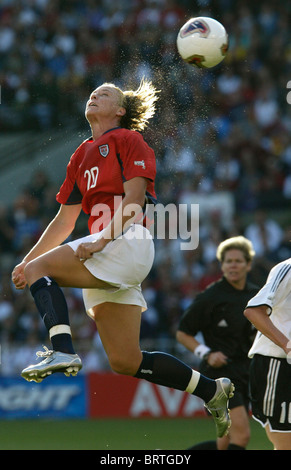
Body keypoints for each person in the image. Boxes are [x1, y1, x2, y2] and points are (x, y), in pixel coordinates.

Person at [11, 78, 234, 438]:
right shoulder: (80, 155)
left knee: (42, 269)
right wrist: (26, 261)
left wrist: (99, 243)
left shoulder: (129, 140)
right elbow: (65, 220)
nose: (94, 95)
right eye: (92, 93)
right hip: (108, 246)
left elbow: (135, 201)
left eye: (105, 94)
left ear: (121, 111)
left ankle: (63, 350)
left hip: (124, 239)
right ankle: (212, 390)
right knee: (125, 361)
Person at [177, 236, 259, 450]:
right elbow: (183, 333)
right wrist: (206, 353)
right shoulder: (210, 297)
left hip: (244, 372)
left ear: (248, 264)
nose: (233, 265)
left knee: (224, 443)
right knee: (241, 437)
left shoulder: (257, 296)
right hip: (218, 376)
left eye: (238, 261)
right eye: (228, 261)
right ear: (222, 266)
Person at [244, 257, 291, 450]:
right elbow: (254, 311)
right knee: (285, 443)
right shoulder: (287, 269)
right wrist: (287, 345)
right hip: (278, 365)